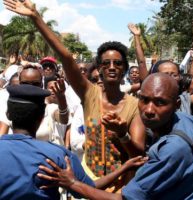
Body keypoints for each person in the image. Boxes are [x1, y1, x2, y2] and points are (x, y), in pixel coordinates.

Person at [37, 73, 193, 199]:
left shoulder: (171, 150)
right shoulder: (187, 120)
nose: (149, 109)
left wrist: (72, 183)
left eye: (160, 102)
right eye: (144, 99)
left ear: (177, 104)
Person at [3, 0, 146, 190]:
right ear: (99, 69)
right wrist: (36, 18)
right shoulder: (89, 94)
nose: (112, 67)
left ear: (125, 69)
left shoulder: (134, 105)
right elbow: (66, 57)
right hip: (87, 179)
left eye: (118, 63)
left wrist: (122, 134)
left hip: (122, 186)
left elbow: (138, 153)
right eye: (106, 63)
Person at [0, 84, 95, 199]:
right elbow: (90, 189)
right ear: (41, 117)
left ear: (7, 114)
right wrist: (122, 169)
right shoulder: (58, 155)